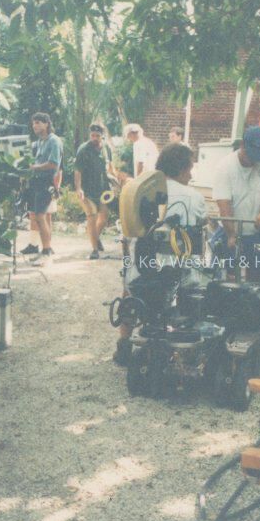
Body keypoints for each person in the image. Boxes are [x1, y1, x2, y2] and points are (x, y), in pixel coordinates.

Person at [115, 143, 206, 365]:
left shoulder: (140, 190)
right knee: (197, 278)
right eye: (190, 169)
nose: (191, 175)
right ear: (182, 169)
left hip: (141, 266)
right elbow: (200, 228)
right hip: (178, 271)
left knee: (130, 289)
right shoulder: (193, 196)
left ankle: (123, 343)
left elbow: (127, 233)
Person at [212, 126, 260, 278]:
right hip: (230, 227)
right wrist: (231, 234)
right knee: (223, 276)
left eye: (259, 156)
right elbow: (224, 205)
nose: (256, 160)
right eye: (252, 155)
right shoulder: (224, 167)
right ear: (242, 146)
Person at [26, 112, 63, 266]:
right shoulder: (40, 142)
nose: (35, 126)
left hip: (46, 182)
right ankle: (45, 250)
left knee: (41, 217)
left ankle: (47, 253)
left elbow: (54, 164)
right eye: (34, 123)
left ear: (47, 124)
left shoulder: (54, 141)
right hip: (36, 182)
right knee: (38, 217)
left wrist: (34, 167)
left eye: (38, 122)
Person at [74, 123, 113, 260]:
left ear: (102, 135)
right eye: (92, 135)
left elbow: (110, 167)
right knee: (92, 216)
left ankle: (95, 237)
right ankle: (94, 250)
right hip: (87, 190)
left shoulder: (106, 148)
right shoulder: (83, 149)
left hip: (102, 190)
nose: (95, 138)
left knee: (104, 217)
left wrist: (116, 181)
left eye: (97, 135)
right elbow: (77, 170)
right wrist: (78, 188)